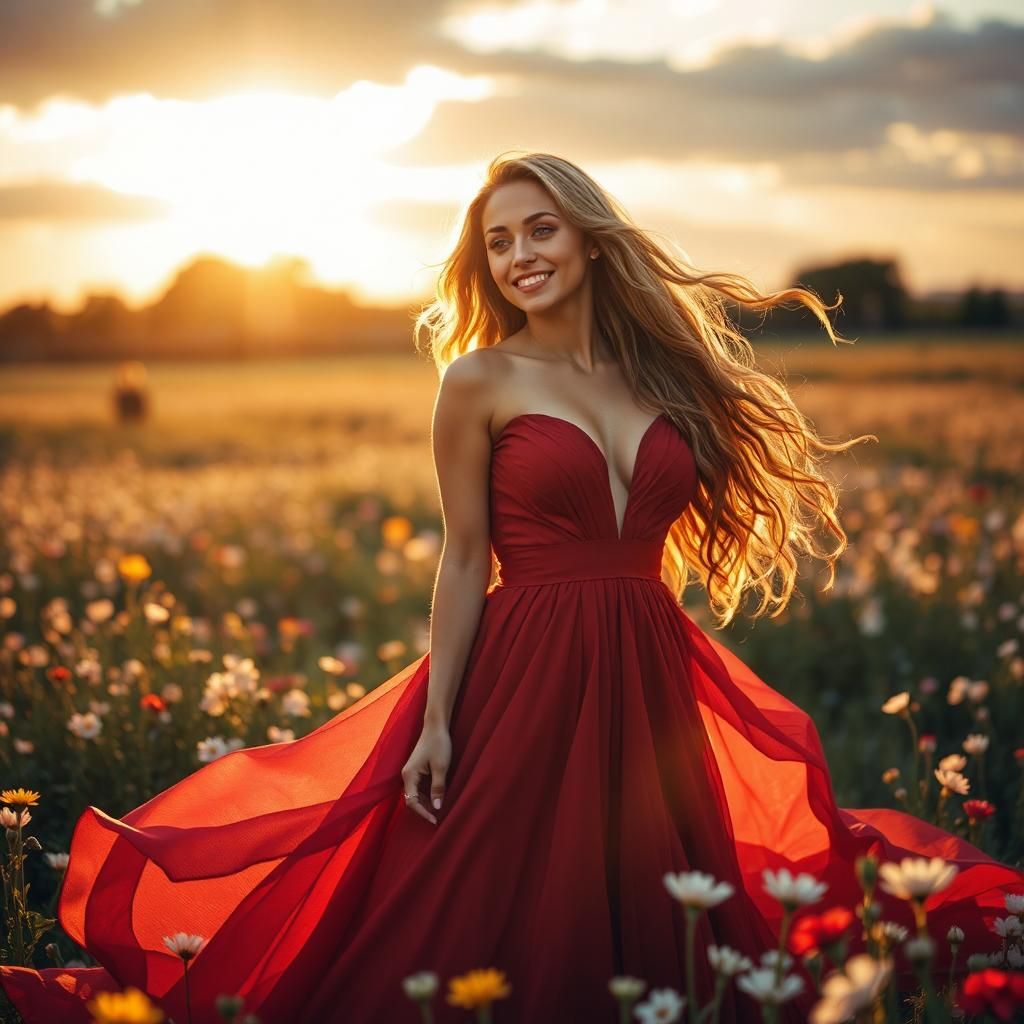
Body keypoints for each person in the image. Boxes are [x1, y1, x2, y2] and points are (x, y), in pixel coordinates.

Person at [1, 152, 1021, 1023]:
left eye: (541, 229)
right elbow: (462, 554)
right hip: (520, 665)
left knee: (655, 890)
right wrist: (439, 718)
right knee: (490, 894)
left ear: (588, 240)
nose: (521, 254)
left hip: (648, 663)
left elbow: (654, 529)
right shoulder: (478, 380)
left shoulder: (662, 375)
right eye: (498, 241)